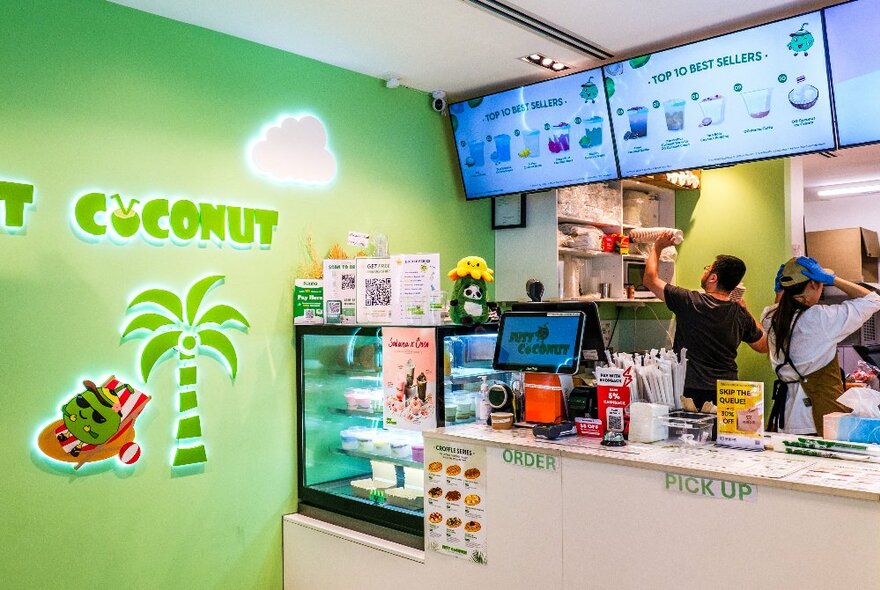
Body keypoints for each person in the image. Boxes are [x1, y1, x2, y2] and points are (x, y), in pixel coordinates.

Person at [643, 232, 768, 410]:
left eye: (707, 268)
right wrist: (745, 309)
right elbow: (763, 346)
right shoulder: (740, 314)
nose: (705, 271)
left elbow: (650, 279)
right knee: (723, 437)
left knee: (690, 436)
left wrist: (657, 247)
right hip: (728, 392)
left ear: (713, 278)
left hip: (691, 390)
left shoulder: (689, 301)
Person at [762, 256, 880, 436]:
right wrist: (833, 279)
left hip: (783, 415)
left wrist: (780, 291)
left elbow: (781, 308)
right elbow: (873, 300)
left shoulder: (769, 316)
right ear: (814, 284)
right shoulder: (820, 318)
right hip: (817, 417)